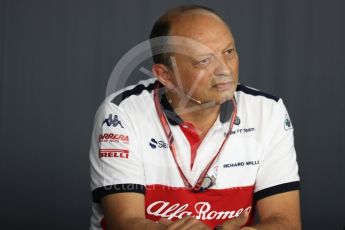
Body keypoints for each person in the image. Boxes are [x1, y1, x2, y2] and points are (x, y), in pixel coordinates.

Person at [89, 5, 301, 230]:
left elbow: (287, 222)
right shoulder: (121, 112)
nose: (224, 71)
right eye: (203, 61)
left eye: (228, 52)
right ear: (165, 75)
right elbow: (124, 223)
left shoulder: (268, 111)